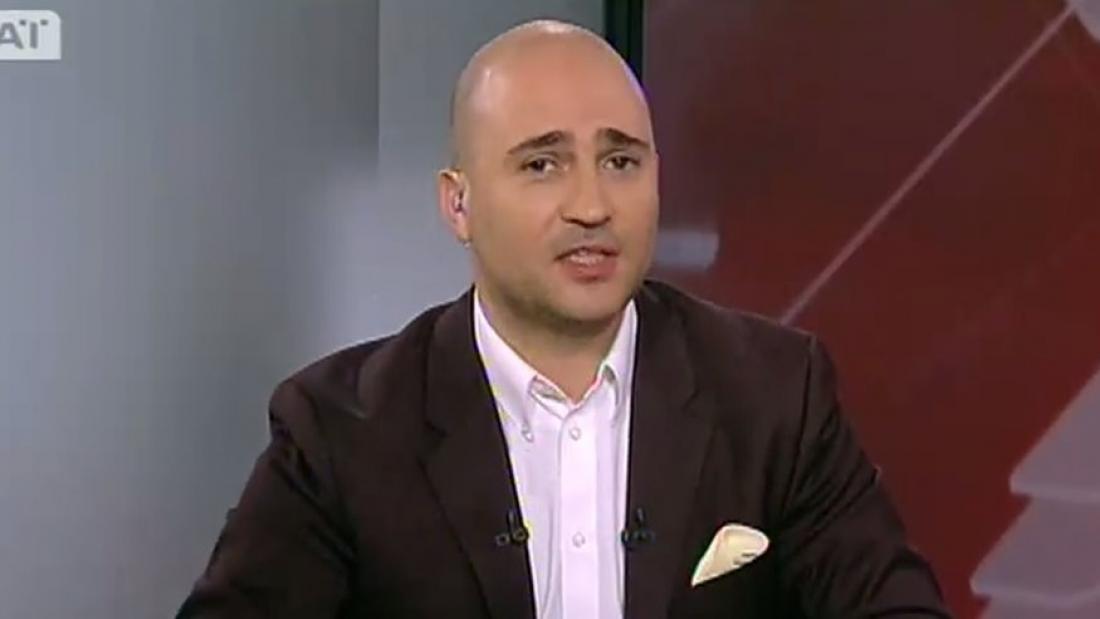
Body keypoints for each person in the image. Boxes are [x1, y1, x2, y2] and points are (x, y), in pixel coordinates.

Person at [178, 20, 950, 619]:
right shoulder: (340, 431)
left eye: (621, 161)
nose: (591, 205)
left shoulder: (775, 395)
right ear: (458, 203)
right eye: (542, 164)